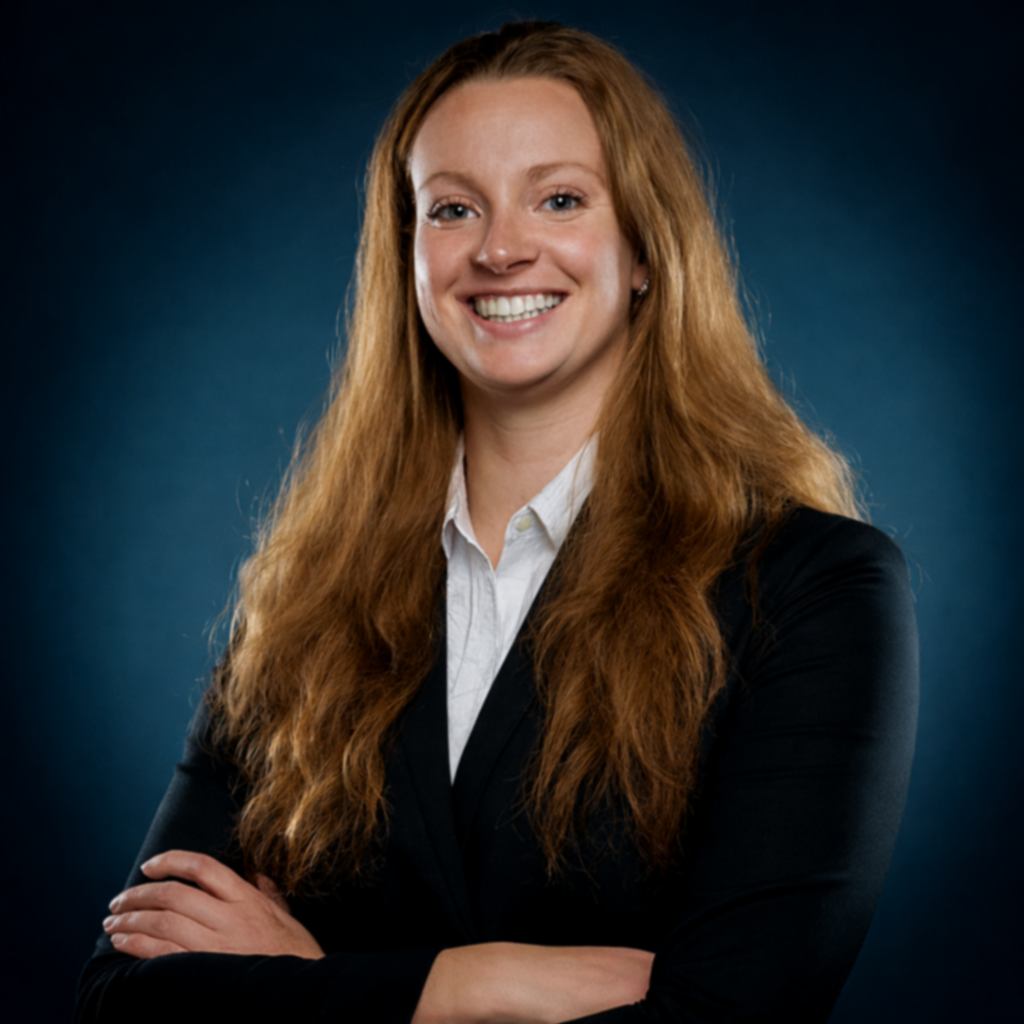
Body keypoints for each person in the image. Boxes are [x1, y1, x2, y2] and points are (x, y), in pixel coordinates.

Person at [75, 20, 918, 1024]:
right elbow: (122, 1000)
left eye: (558, 199)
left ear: (644, 250)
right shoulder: (304, 604)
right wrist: (478, 981)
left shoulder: (813, 587)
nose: (501, 249)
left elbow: (726, 1017)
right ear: (407, 259)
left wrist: (307, 984)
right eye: (453, 208)